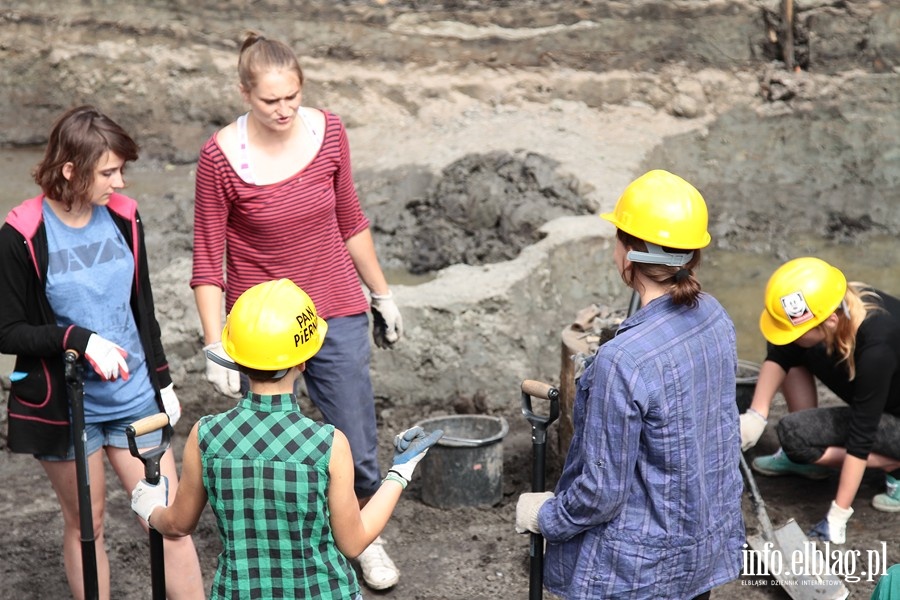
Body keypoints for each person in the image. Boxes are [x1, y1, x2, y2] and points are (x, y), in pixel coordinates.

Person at [190, 32, 404, 590]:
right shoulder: (221, 158)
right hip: (262, 320)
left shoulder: (328, 132)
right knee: (260, 434)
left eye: (291, 97)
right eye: (269, 101)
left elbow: (350, 218)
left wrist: (380, 293)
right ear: (244, 93)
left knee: (352, 431)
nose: (283, 110)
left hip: (333, 303)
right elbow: (209, 256)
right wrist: (215, 342)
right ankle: (264, 538)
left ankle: (363, 535)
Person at [0, 105, 204, 599]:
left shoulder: (125, 216)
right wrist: (77, 339)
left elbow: (143, 307)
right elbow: (7, 331)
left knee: (169, 524)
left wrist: (163, 380)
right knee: (86, 527)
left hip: (135, 400)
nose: (121, 181)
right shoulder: (21, 234)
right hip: (68, 408)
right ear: (70, 169)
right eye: (108, 172)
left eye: (120, 169)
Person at [130, 278, 441, 600]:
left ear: (236, 358)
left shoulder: (207, 434)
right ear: (304, 360)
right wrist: (400, 471)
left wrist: (151, 508)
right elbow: (353, 541)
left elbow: (178, 525)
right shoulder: (327, 444)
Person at [515, 170, 744, 599]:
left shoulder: (622, 361)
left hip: (641, 569)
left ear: (628, 252)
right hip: (700, 549)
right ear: (692, 254)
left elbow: (600, 493)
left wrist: (547, 516)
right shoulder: (714, 315)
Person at [740, 257, 900, 543]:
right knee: (790, 343)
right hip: (882, 397)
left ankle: (894, 466)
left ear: (831, 321)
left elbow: (861, 437)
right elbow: (781, 350)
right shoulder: (835, 304)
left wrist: (838, 515)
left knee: (797, 437)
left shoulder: (878, 348)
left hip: (894, 418)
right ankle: (809, 463)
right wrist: (756, 415)